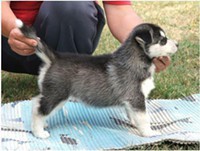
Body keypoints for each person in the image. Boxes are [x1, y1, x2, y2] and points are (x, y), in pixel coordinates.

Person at [2, 1, 170, 75]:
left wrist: (147, 44)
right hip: (7, 43)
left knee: (70, 5)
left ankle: (68, 80)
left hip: (64, 47)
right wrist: (12, 30)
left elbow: (121, 13)